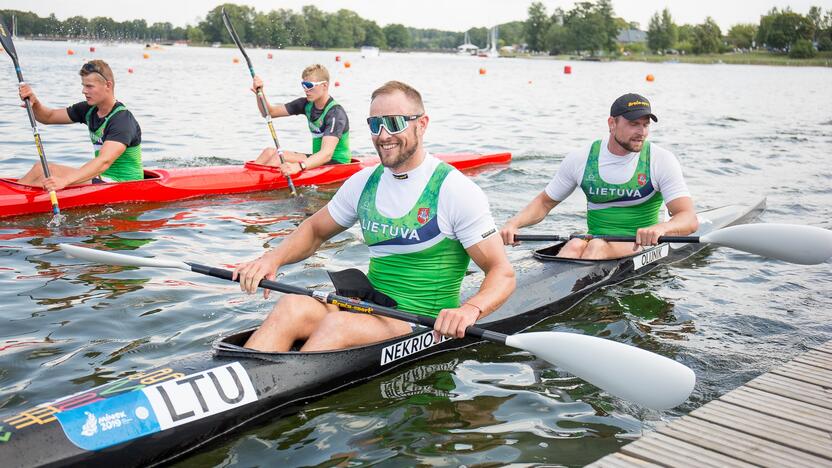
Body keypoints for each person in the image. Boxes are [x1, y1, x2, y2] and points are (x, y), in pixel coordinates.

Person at [233, 80, 515, 352]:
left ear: (422, 124)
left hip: (421, 321)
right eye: (374, 124)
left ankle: (283, 394)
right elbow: (315, 231)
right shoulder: (364, 182)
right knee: (291, 306)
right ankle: (244, 381)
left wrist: (469, 310)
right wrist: (271, 259)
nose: (382, 135)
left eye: (394, 123)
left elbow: (501, 272)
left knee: (339, 325)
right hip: (371, 306)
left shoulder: (454, 190)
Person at [500, 93, 698, 259]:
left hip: (639, 244)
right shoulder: (581, 159)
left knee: (595, 247)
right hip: (596, 239)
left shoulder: (660, 160)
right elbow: (544, 203)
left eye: (645, 125)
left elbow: (688, 218)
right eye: (634, 124)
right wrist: (513, 224)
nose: (642, 132)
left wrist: (662, 228)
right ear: (612, 123)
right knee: (574, 245)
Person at [17, 60, 143, 190]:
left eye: (89, 86)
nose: (84, 91)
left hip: (124, 185)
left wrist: (65, 181)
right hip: (102, 178)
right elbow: (48, 117)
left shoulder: (122, 121)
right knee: (40, 168)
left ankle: (13, 200)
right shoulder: (89, 109)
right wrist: (34, 102)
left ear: (108, 85)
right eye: (83, 85)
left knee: (43, 177)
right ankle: (12, 197)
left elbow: (104, 161)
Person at [251, 64, 350, 176]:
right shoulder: (305, 104)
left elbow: (326, 154)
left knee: (279, 158)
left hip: (337, 164)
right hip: (318, 159)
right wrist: (260, 93)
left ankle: (258, 183)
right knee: (268, 152)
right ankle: (248, 178)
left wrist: (299, 166)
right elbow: (268, 113)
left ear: (324, 85)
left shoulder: (335, 113)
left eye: (309, 85)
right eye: (303, 85)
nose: (306, 90)